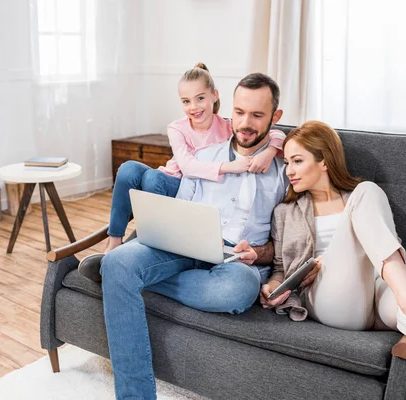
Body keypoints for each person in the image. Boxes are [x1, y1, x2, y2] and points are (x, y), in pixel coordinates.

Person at [262, 120, 406, 399]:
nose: (289, 170)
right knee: (366, 191)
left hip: (383, 288)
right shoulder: (286, 211)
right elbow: (281, 269)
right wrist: (274, 285)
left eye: (297, 160)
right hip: (333, 298)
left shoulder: (361, 198)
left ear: (324, 162)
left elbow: (385, 243)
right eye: (287, 162)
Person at [98, 73, 286, 399]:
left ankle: (127, 277)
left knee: (241, 288)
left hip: (236, 262)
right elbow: (180, 208)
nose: (245, 123)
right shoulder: (205, 158)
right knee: (119, 264)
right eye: (239, 112)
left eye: (257, 115)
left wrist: (259, 251)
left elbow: (284, 244)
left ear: (275, 117)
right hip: (185, 246)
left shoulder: (286, 172)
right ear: (230, 110)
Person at [101, 63, 286, 254]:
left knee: (151, 178)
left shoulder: (227, 126)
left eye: (200, 98)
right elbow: (188, 168)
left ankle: (150, 240)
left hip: (190, 189)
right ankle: (115, 238)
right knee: (128, 169)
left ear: (214, 95)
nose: (194, 107)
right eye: (186, 101)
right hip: (173, 180)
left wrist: (269, 151)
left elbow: (278, 134)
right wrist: (231, 166)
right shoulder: (177, 128)